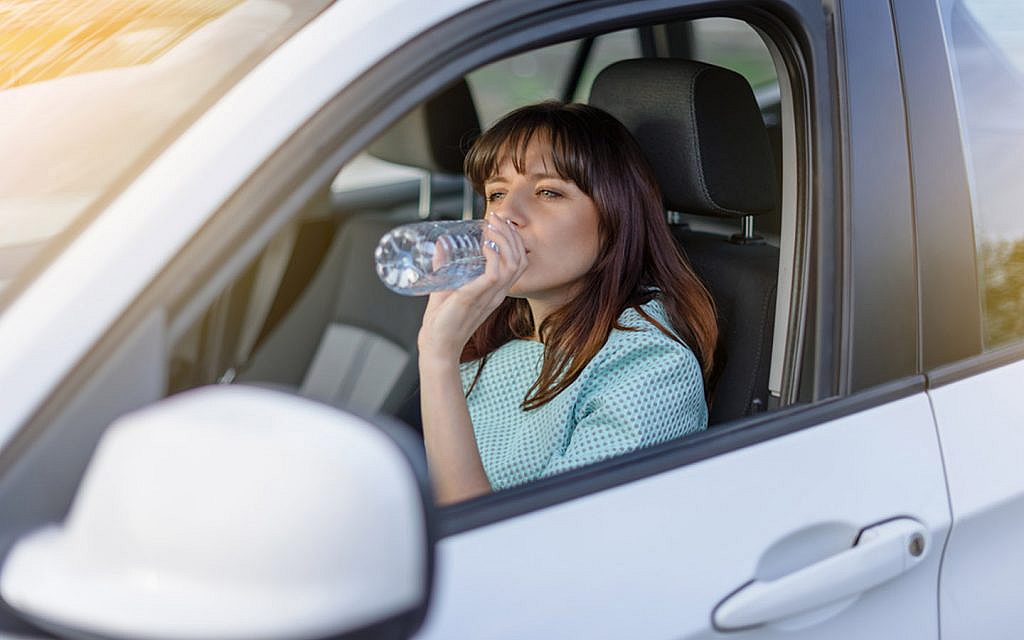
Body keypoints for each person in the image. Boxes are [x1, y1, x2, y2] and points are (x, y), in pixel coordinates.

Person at [418, 102, 718, 505]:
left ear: (615, 216)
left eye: (548, 192)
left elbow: (502, 535)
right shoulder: (500, 335)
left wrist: (437, 357)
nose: (505, 215)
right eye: (497, 193)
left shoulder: (652, 368)